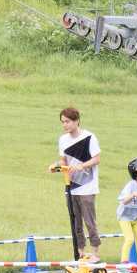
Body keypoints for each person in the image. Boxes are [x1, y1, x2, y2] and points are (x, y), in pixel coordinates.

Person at [56, 107, 102, 262]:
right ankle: (80, 252)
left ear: (76, 121)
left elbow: (97, 159)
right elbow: (63, 160)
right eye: (63, 122)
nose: (65, 125)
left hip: (87, 186)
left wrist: (82, 166)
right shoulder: (63, 140)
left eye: (67, 121)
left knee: (89, 221)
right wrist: (58, 166)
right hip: (71, 186)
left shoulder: (89, 137)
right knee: (75, 221)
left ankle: (95, 252)